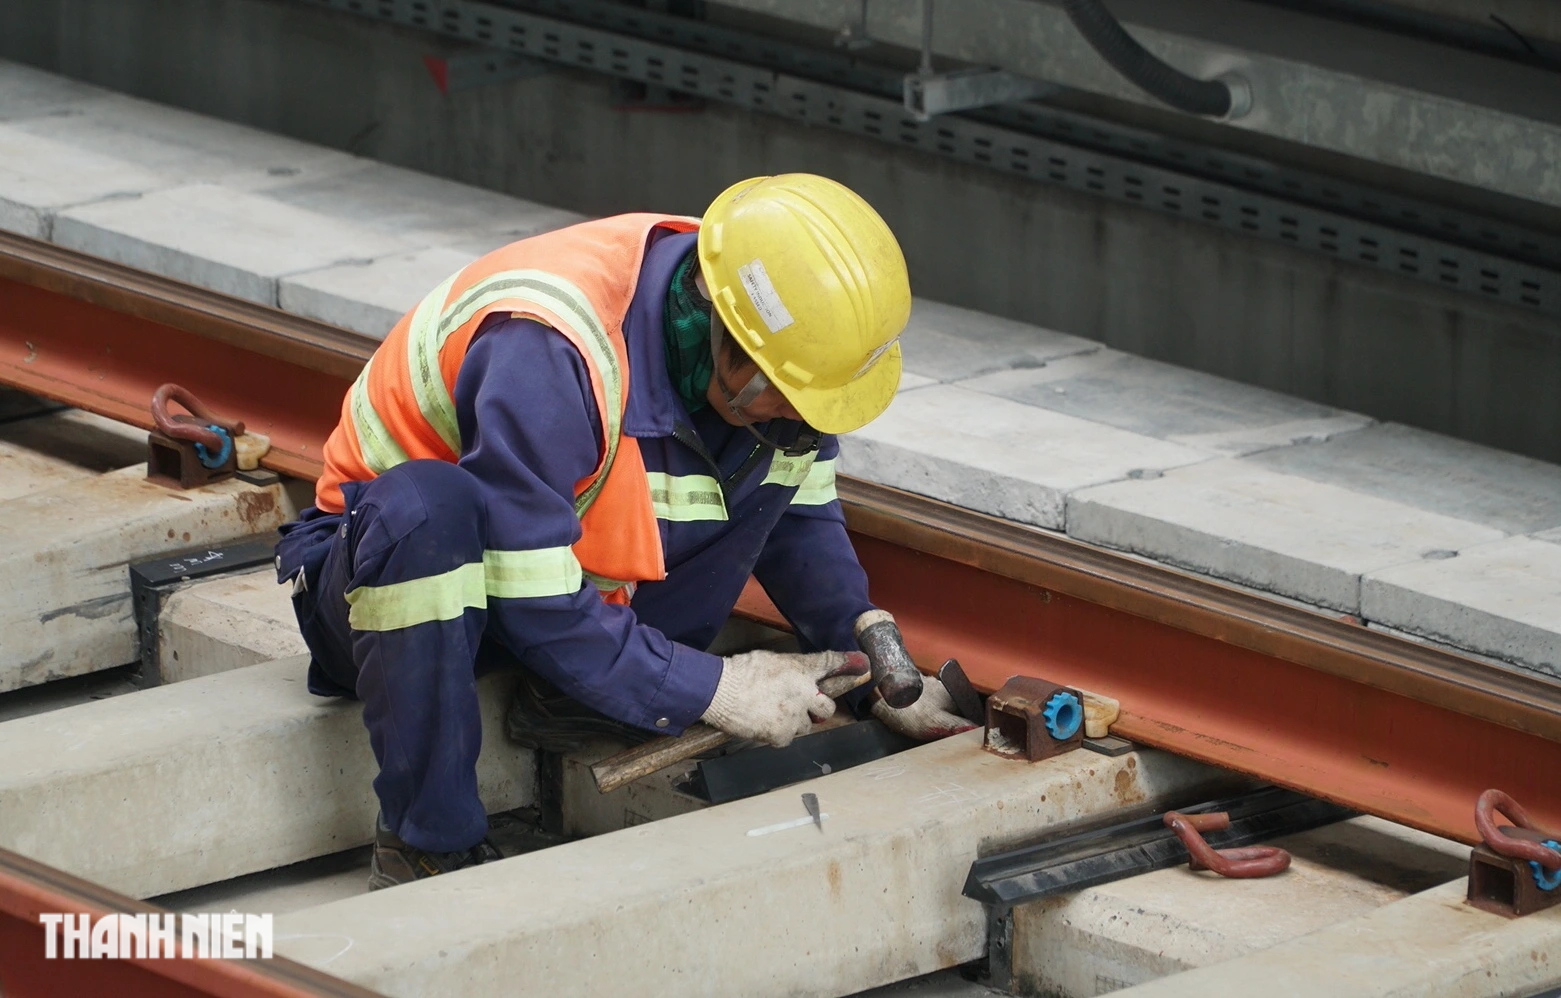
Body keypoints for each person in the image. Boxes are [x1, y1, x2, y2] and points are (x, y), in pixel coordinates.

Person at [275, 173, 976, 889]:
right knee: (430, 507)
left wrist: (869, 655)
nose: (795, 416)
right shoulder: (549, 349)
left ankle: (578, 694)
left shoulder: (747, 331)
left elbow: (797, 517)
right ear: (723, 335)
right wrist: (717, 690)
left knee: (755, 454)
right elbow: (530, 594)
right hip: (389, 586)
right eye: (785, 394)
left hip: (536, 585)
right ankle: (427, 843)